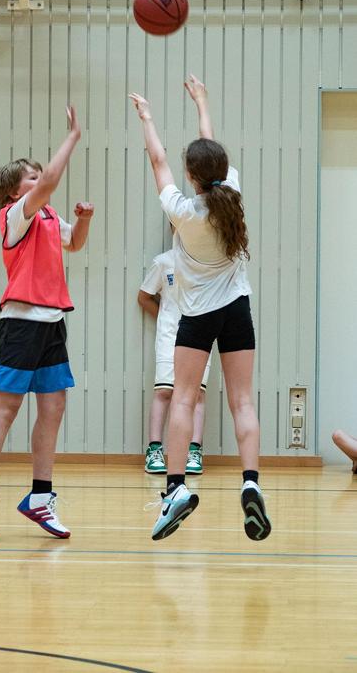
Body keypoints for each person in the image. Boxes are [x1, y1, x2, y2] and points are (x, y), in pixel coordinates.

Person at [129, 76, 271, 542]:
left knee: (183, 399)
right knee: (242, 401)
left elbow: (158, 159)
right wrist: (203, 102)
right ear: (222, 170)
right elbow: (211, 149)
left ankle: (175, 489)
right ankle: (251, 482)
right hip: (237, 309)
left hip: (197, 314)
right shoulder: (233, 194)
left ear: (191, 176)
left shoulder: (183, 211)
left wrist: (147, 118)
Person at [0, 106, 94, 541]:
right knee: (7, 407)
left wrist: (85, 219)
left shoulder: (50, 216)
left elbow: (74, 244)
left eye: (39, 177)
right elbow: (52, 181)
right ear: (12, 192)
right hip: (21, 321)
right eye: (32, 178)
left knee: (53, 407)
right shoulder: (14, 215)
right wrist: (72, 136)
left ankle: (40, 497)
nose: (41, 182)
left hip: (53, 320)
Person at [138, 244, 211, 475]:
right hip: (169, 337)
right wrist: (165, 319)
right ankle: (154, 450)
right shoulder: (163, 262)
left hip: (200, 335)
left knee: (197, 394)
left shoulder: (210, 262)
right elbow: (144, 297)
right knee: (164, 391)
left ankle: (194, 451)